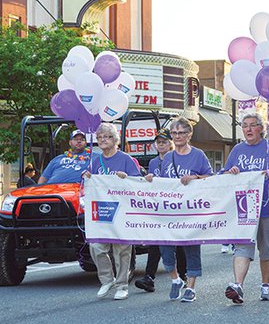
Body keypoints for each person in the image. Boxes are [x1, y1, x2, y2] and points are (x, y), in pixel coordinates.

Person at [223, 113, 269, 304]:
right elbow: (224, 175)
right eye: (245, 126)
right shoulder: (237, 150)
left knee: (267, 249)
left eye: (253, 125)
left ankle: (265, 285)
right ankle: (237, 286)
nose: (249, 129)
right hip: (244, 208)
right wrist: (231, 172)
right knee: (242, 247)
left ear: (261, 128)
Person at [145, 117, 212, 303]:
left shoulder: (198, 155)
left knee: (191, 247)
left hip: (190, 210)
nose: (178, 136)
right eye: (174, 133)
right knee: (165, 245)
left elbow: (210, 178)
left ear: (189, 134)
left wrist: (195, 177)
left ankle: (191, 286)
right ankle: (175, 279)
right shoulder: (168, 158)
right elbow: (162, 183)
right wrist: (151, 179)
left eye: (182, 132)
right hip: (170, 210)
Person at [84, 123, 142, 301]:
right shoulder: (96, 160)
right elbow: (93, 183)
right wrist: (87, 176)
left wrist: (126, 178)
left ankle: (122, 285)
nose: (102, 140)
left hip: (122, 210)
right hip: (102, 211)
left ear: (115, 140)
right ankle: (107, 280)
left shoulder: (125, 159)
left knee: (122, 249)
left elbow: (137, 181)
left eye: (107, 137)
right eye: (100, 137)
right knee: (96, 247)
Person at [134, 129, 187, 293]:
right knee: (155, 241)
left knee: (178, 243)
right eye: (158, 142)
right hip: (158, 207)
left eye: (164, 142)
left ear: (170, 143)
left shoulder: (177, 160)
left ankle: (183, 276)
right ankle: (149, 277)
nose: (161, 144)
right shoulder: (153, 162)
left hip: (176, 206)